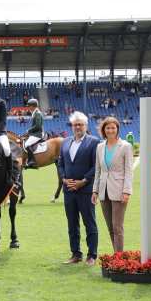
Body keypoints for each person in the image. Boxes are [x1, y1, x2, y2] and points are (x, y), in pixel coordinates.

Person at [57, 112, 100, 265]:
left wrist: (84, 181)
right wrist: (63, 178)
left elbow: (96, 166)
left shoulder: (94, 142)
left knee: (89, 222)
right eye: (75, 124)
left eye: (80, 124)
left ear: (86, 126)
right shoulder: (65, 142)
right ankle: (76, 254)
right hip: (69, 191)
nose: (77, 127)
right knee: (72, 224)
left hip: (86, 190)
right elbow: (60, 163)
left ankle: (92, 255)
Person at [92, 117, 133, 252]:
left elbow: (129, 170)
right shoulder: (99, 147)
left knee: (117, 227)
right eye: (108, 128)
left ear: (117, 129)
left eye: (113, 128)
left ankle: (119, 258)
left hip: (119, 191)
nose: (110, 130)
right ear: (104, 130)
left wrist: (127, 191)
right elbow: (98, 171)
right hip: (104, 192)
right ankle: (116, 256)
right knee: (110, 227)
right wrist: (95, 191)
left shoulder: (126, 146)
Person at [23, 98, 44, 169]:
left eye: (29, 106)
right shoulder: (35, 113)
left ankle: (32, 161)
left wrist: (29, 131)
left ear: (32, 106)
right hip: (35, 133)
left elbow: (38, 126)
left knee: (26, 144)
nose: (28, 107)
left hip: (38, 134)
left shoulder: (37, 113)